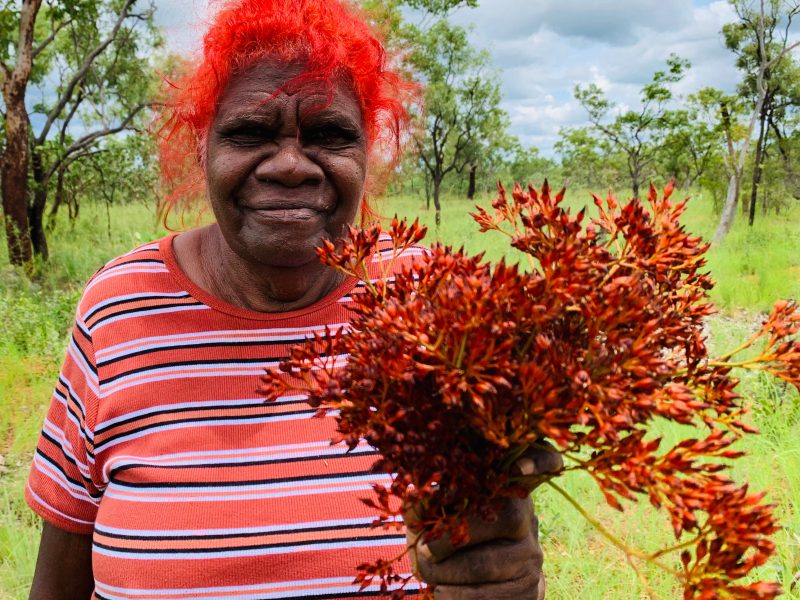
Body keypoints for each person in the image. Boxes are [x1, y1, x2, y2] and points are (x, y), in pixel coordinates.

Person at [25, 1, 559, 598]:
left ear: (366, 153)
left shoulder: (434, 307)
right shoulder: (120, 307)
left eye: (329, 135)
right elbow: (59, 570)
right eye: (249, 132)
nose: (289, 167)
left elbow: (500, 550)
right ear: (202, 148)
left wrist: (508, 580)